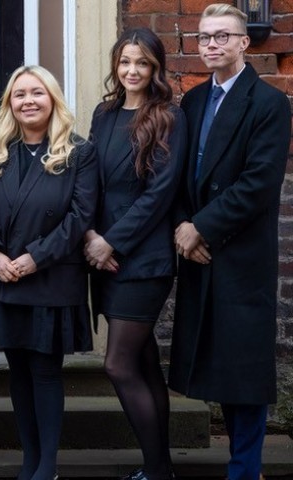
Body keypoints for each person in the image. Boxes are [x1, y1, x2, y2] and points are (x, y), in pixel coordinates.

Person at [170, 4, 291, 480]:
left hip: (240, 252)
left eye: (223, 36)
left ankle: (246, 469)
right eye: (204, 37)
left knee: (244, 368)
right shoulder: (194, 102)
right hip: (198, 250)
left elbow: (258, 183)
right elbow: (179, 177)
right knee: (214, 361)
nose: (212, 45)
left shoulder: (268, 103)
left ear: (244, 42)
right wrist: (184, 226)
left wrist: (202, 227)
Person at [0, 65, 97, 480]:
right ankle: (29, 461)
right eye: (20, 94)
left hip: (50, 278)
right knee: (18, 372)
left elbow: (80, 217)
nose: (28, 101)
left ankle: (47, 468)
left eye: (37, 93)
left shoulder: (78, 152)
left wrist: (33, 257)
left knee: (45, 372)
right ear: (10, 102)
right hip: (3, 276)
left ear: (53, 100)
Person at [85, 28, 186, 480]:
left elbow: (159, 194)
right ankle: (158, 467)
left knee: (118, 363)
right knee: (143, 362)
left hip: (143, 261)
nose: (132, 71)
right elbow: (88, 182)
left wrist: (113, 241)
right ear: (115, 64)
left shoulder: (167, 117)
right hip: (102, 256)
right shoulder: (104, 114)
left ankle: (156, 470)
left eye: (141, 63)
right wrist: (90, 237)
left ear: (155, 69)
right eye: (125, 62)